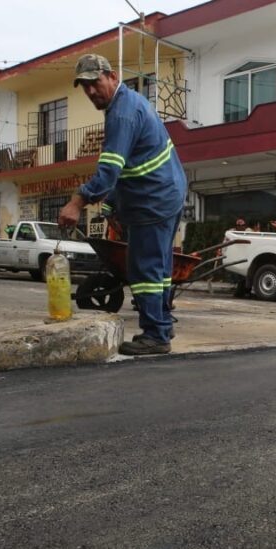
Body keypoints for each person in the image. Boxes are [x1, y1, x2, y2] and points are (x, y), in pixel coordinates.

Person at [58, 54, 188, 356]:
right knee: (160, 267)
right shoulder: (130, 103)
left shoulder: (121, 114)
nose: (91, 91)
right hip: (165, 194)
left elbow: (109, 172)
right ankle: (163, 325)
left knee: (144, 269)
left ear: (112, 77)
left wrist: (77, 202)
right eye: (85, 86)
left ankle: (155, 335)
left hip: (153, 200)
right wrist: (112, 202)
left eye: (95, 83)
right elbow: (131, 166)